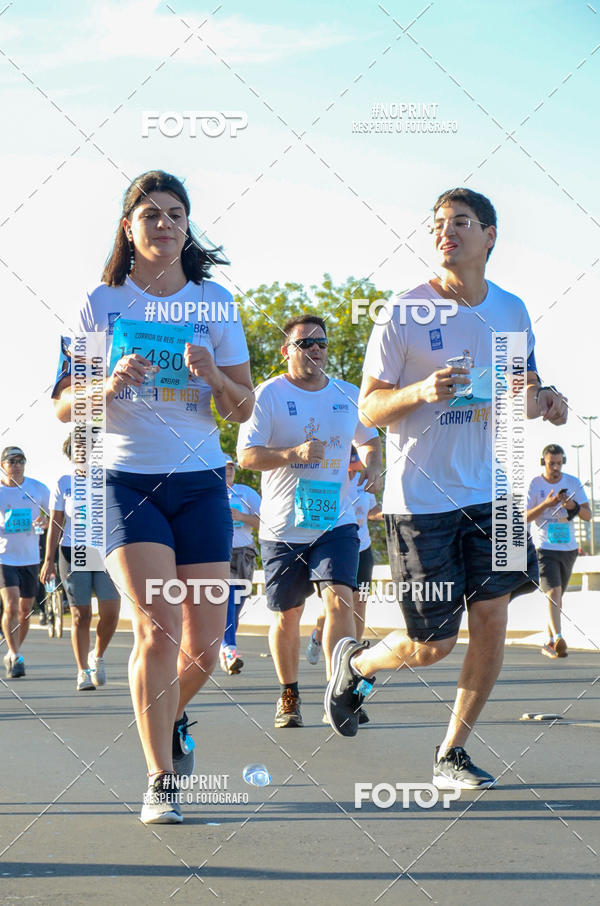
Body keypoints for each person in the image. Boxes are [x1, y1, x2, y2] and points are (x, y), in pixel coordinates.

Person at [325, 187, 568, 790]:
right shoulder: (400, 313)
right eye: (437, 223)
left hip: (498, 495)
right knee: (430, 644)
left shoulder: (511, 310)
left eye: (461, 221)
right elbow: (370, 407)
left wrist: (547, 399)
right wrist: (419, 392)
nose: (446, 231)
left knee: (491, 620)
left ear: (490, 236)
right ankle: (355, 662)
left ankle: (451, 753)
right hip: (423, 500)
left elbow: (522, 381)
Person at [52, 170, 253, 824]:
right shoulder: (101, 304)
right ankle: (159, 780)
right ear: (128, 228)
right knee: (158, 627)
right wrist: (106, 385)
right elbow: (63, 409)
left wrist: (211, 373)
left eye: (175, 214)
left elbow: (244, 405)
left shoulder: (214, 301)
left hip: (200, 481)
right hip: (126, 482)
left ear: (187, 226)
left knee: (200, 646)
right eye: (150, 214)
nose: (163, 224)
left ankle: (168, 715)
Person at [237, 314, 382, 729]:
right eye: (305, 343)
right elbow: (247, 456)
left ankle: (340, 687)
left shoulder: (347, 393)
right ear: (287, 351)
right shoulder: (267, 395)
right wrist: (292, 455)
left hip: (335, 521)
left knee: (342, 599)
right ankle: (289, 692)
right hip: (283, 526)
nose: (315, 349)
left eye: (321, 342)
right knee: (288, 616)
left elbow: (369, 440)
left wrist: (373, 464)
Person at [40, 435, 121, 690]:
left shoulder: (108, 479)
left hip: (104, 552)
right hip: (73, 552)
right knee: (80, 615)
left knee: (111, 611)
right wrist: (48, 560)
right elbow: (55, 523)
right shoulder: (63, 483)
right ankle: (83, 671)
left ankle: (97, 655)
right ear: (70, 453)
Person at [526, 444, 591, 658]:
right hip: (544, 547)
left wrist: (572, 505)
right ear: (543, 462)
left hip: (569, 548)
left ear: (563, 462)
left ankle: (549, 641)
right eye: (550, 463)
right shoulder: (535, 484)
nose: (555, 467)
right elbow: (524, 517)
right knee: (553, 593)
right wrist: (546, 504)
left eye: (558, 463)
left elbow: (587, 515)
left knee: (557, 597)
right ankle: (559, 636)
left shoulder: (572, 482)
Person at [0, 446, 49, 677]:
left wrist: (45, 521)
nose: (17, 465)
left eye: (21, 460)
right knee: (10, 605)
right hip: (4, 558)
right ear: (3, 465)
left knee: (25, 610)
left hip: (30, 558)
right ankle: (16, 655)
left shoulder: (38, 489)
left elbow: (52, 514)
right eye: (12, 461)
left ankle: (13, 651)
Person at [219, 459, 261, 675]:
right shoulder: (208, 492)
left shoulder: (246, 493)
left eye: (231, 467)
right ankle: (229, 649)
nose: (228, 471)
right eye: (224, 467)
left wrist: (242, 517)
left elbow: (265, 523)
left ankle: (224, 648)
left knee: (236, 606)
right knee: (226, 599)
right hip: (219, 554)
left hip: (244, 554)